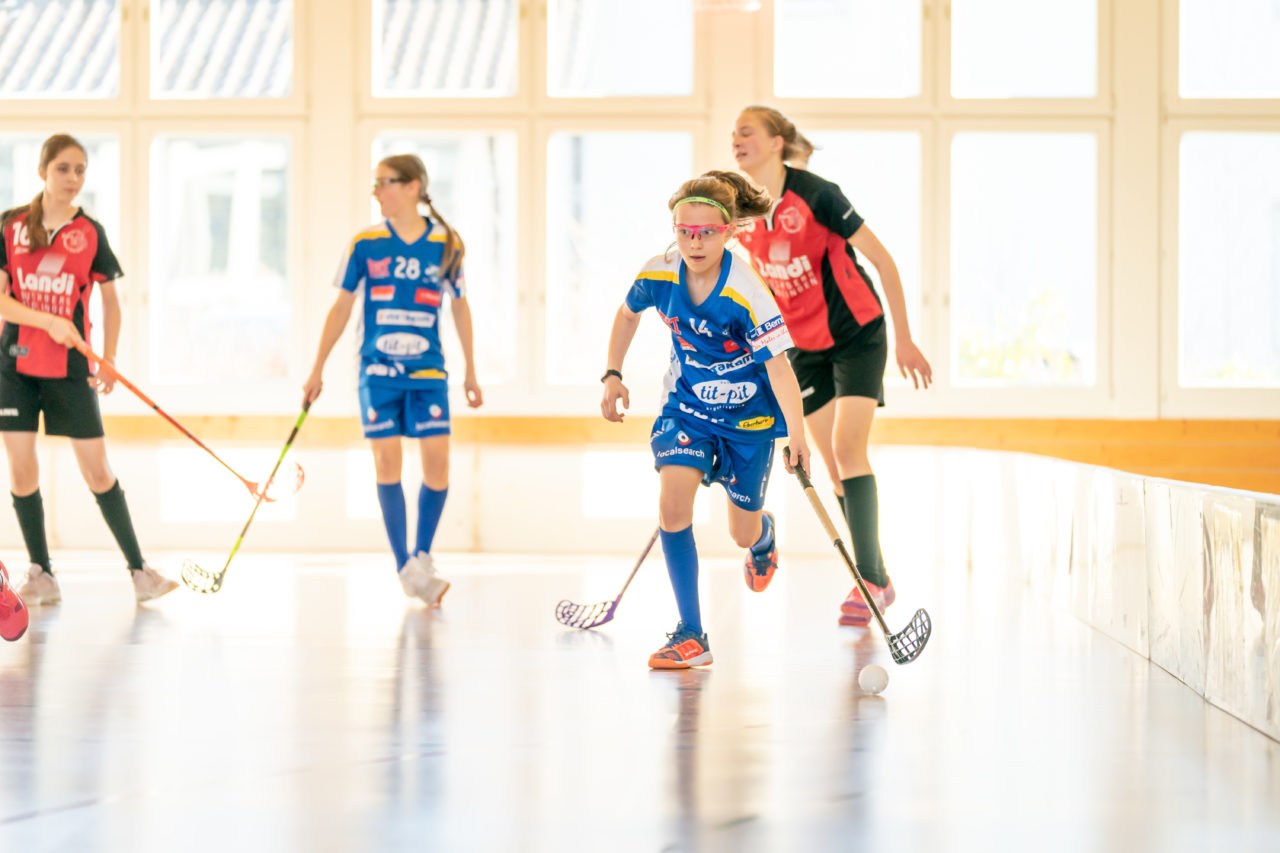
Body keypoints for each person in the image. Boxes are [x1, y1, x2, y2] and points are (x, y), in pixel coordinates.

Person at [731, 106, 933, 627]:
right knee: (826, 459)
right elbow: (758, 286)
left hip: (857, 333)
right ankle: (878, 578)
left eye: (747, 132)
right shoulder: (743, 213)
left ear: (776, 143)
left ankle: (868, 577)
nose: (736, 140)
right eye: (732, 134)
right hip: (804, 348)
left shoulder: (818, 194)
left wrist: (906, 340)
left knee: (848, 449)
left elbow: (884, 261)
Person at [601, 170, 810, 670]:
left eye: (707, 232)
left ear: (730, 232)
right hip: (687, 408)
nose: (695, 242)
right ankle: (692, 633)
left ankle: (762, 536)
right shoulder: (658, 273)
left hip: (749, 420)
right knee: (673, 508)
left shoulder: (747, 292)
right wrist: (612, 374)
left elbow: (779, 367)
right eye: (684, 231)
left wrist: (798, 434)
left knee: (740, 532)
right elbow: (627, 314)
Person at [0, 133, 179, 606]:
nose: (73, 179)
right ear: (42, 171)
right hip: (14, 368)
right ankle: (41, 573)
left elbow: (111, 301)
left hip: (71, 368)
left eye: (80, 170)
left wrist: (112, 359)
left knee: (98, 471)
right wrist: (49, 321)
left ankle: (140, 572)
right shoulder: (10, 225)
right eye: (63, 168)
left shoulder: (91, 233)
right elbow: (1, 301)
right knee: (22, 471)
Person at [303, 154, 482, 606]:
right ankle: (404, 565)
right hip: (377, 371)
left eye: (384, 183)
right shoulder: (365, 243)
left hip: (428, 372)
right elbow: (341, 307)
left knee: (438, 465)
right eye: (375, 183)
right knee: (387, 463)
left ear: (413, 187)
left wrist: (471, 370)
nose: (376, 191)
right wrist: (317, 368)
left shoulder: (447, 243)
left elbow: (459, 305)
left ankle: (422, 556)